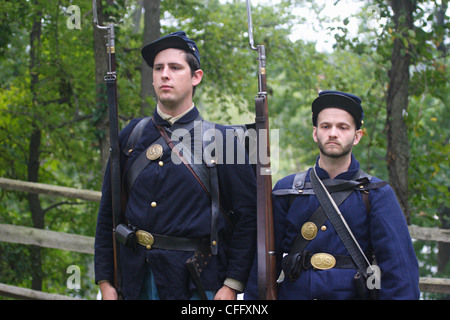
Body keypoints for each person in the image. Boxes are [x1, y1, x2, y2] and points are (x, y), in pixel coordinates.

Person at [95, 31, 256, 300]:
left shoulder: (223, 140)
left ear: (196, 77)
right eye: (158, 68)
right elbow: (108, 213)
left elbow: (247, 219)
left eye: (175, 67)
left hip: (195, 282)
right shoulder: (132, 134)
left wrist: (232, 285)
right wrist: (104, 280)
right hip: (134, 280)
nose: (164, 75)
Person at [245, 90, 419, 299]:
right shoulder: (287, 190)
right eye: (326, 126)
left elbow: (400, 274)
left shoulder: (377, 194)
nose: (333, 133)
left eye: (343, 127)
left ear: (357, 136)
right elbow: (262, 265)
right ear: (315, 133)